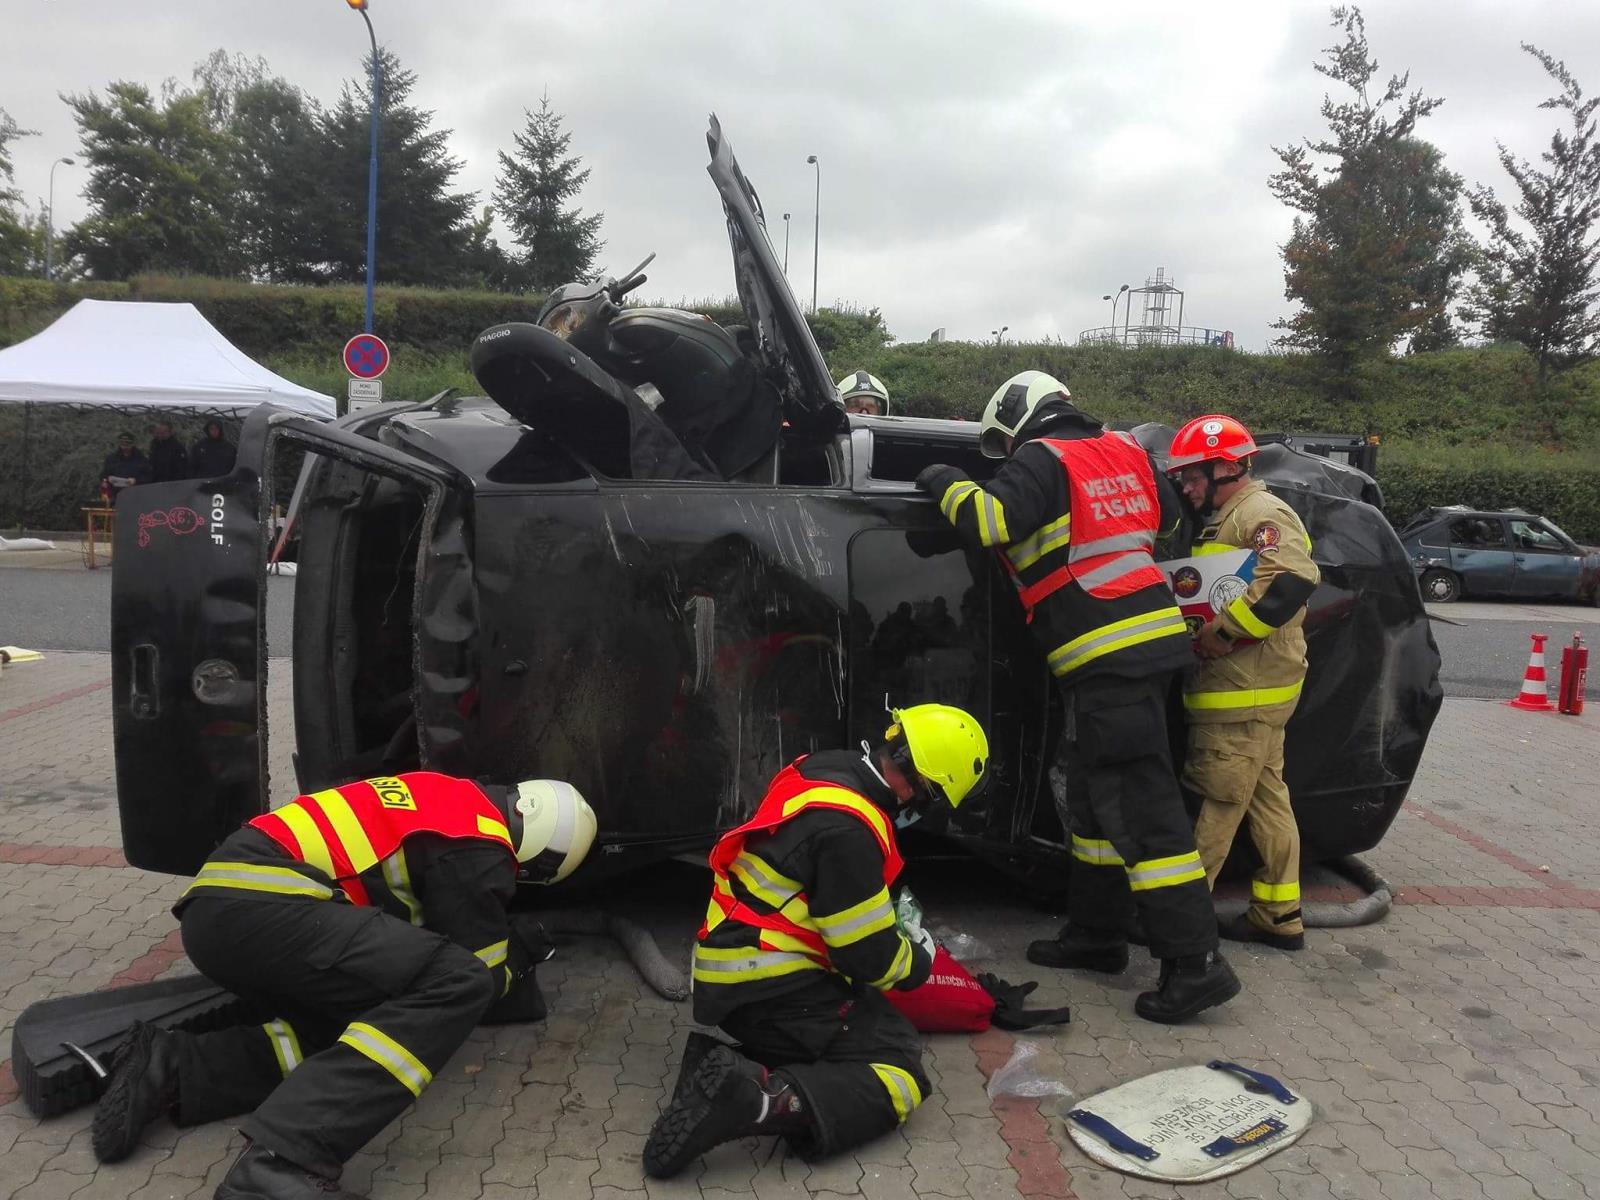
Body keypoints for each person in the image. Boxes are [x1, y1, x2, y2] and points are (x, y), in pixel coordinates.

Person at [91, 772, 597, 1200]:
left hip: (222, 912)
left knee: (366, 1030)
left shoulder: (449, 795)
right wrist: (521, 952)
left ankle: (175, 1068)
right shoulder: (481, 841)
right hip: (264, 904)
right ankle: (280, 1162)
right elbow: (478, 978)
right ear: (543, 856)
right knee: (456, 982)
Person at [915, 371, 1237, 1024]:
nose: (1006, 458)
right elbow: (1175, 526)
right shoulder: (1128, 451)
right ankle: (1097, 934)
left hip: (1107, 657)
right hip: (1141, 650)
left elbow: (989, 519)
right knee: (1094, 803)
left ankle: (1196, 964)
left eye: (1003, 445)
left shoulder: (1042, 458)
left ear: (1018, 420)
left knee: (1144, 813)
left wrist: (941, 478)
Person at [644, 704, 989, 1177]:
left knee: (871, 1021)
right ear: (921, 789)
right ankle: (754, 1100)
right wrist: (919, 959)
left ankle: (719, 1070)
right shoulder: (851, 831)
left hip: (738, 965)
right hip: (768, 982)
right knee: (899, 1066)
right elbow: (867, 957)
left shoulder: (825, 769)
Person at [1167, 415, 1319, 951]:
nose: (1187, 488)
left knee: (1216, 800)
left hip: (1241, 693)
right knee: (1267, 800)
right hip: (1249, 692)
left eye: (1193, 476)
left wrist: (1224, 633)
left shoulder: (1260, 512)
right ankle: (1278, 915)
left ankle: (1180, 927)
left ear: (1226, 467)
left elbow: (1293, 579)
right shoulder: (1229, 517)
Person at [100, 432, 153, 501]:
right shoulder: (111, 459)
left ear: (133, 444)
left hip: (135, 495)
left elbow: (148, 477)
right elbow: (104, 475)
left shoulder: (141, 460)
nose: (125, 447)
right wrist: (108, 478)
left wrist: (136, 481)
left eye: (128, 444)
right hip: (116, 495)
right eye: (122, 444)